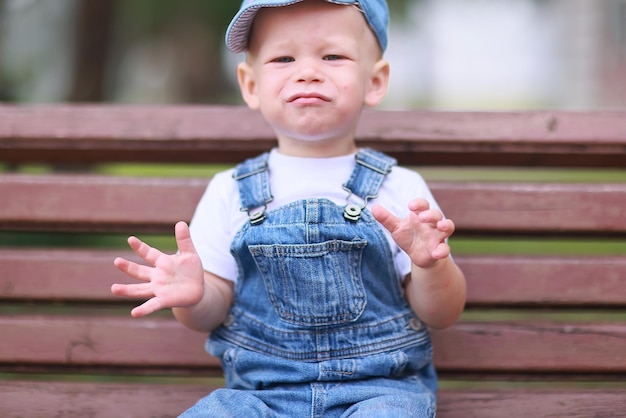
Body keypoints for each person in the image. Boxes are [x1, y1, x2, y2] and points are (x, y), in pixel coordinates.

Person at [111, 0, 467, 416]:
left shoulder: (400, 188)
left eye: (332, 56)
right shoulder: (229, 190)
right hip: (260, 395)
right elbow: (210, 314)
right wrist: (193, 297)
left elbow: (441, 314)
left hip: (379, 392)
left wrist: (430, 266)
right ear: (250, 85)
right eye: (283, 57)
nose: (307, 71)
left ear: (375, 80)